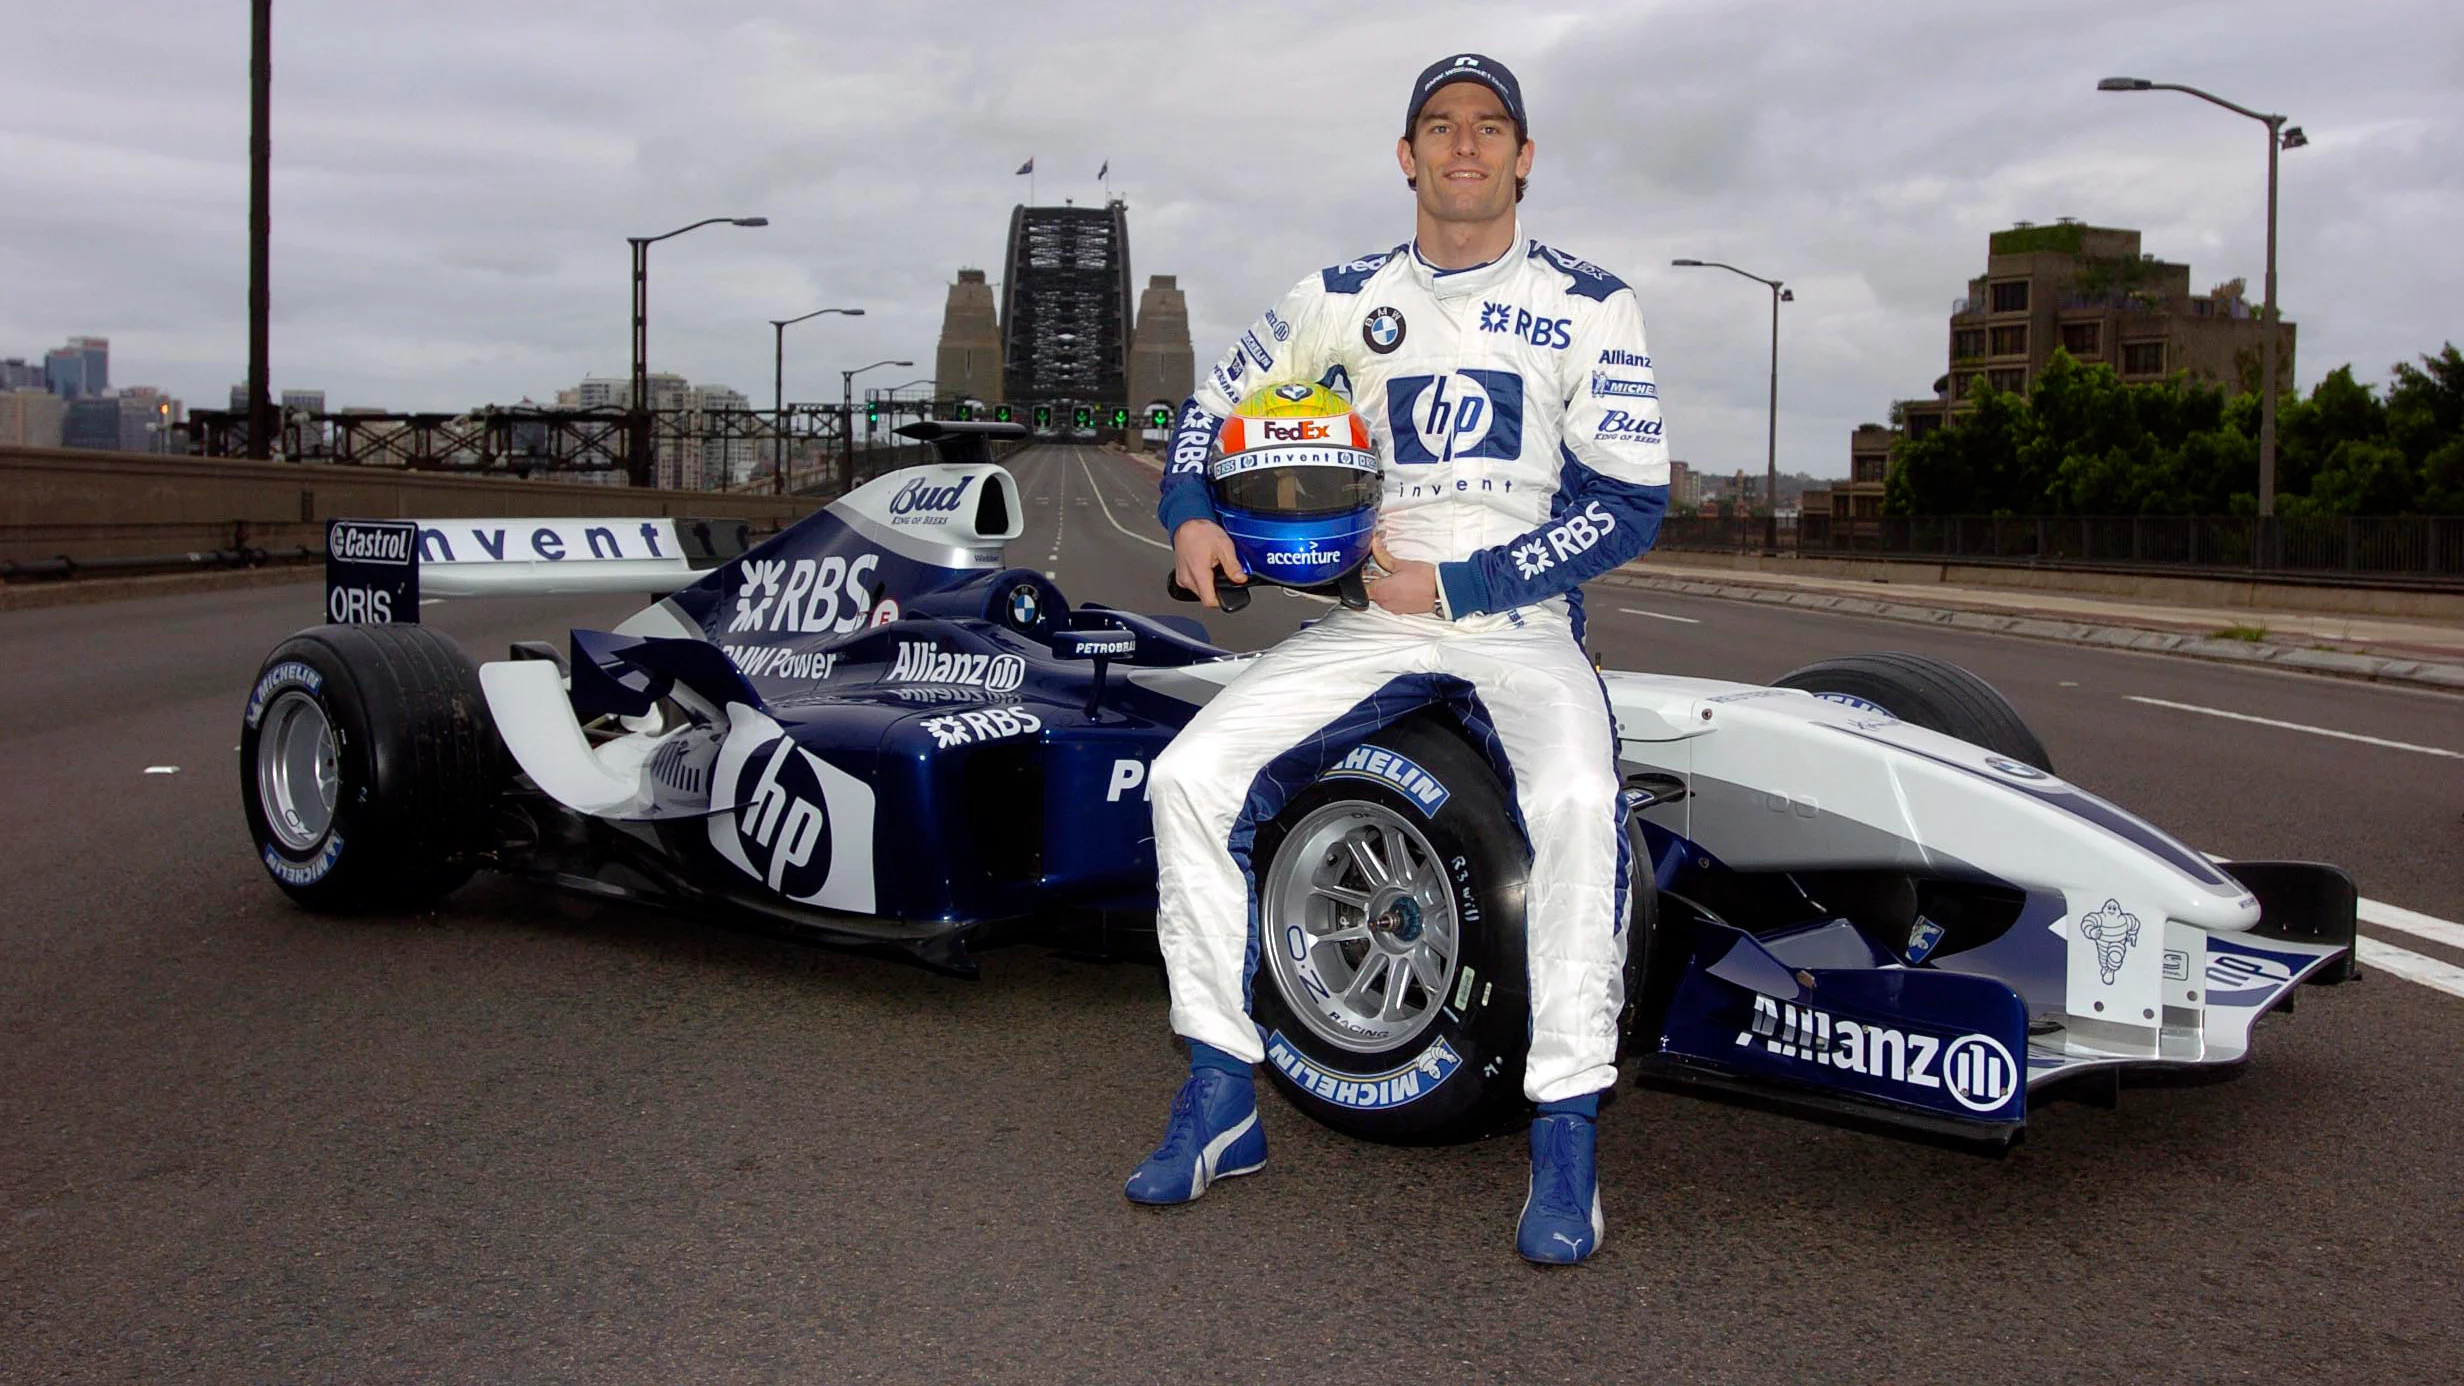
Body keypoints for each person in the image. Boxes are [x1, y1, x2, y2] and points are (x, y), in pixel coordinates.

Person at [1125, 53, 1671, 1265]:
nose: (1463, 145)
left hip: (1518, 623)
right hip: (1372, 620)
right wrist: (1192, 515)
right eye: (1439, 126)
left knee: (1578, 805)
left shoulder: (1591, 303)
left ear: (1523, 157)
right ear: (1406, 155)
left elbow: (1631, 505)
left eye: (1488, 127)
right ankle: (1220, 1097)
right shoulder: (1336, 297)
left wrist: (1464, 585)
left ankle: (1566, 1130)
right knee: (1189, 779)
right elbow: (1208, 413)